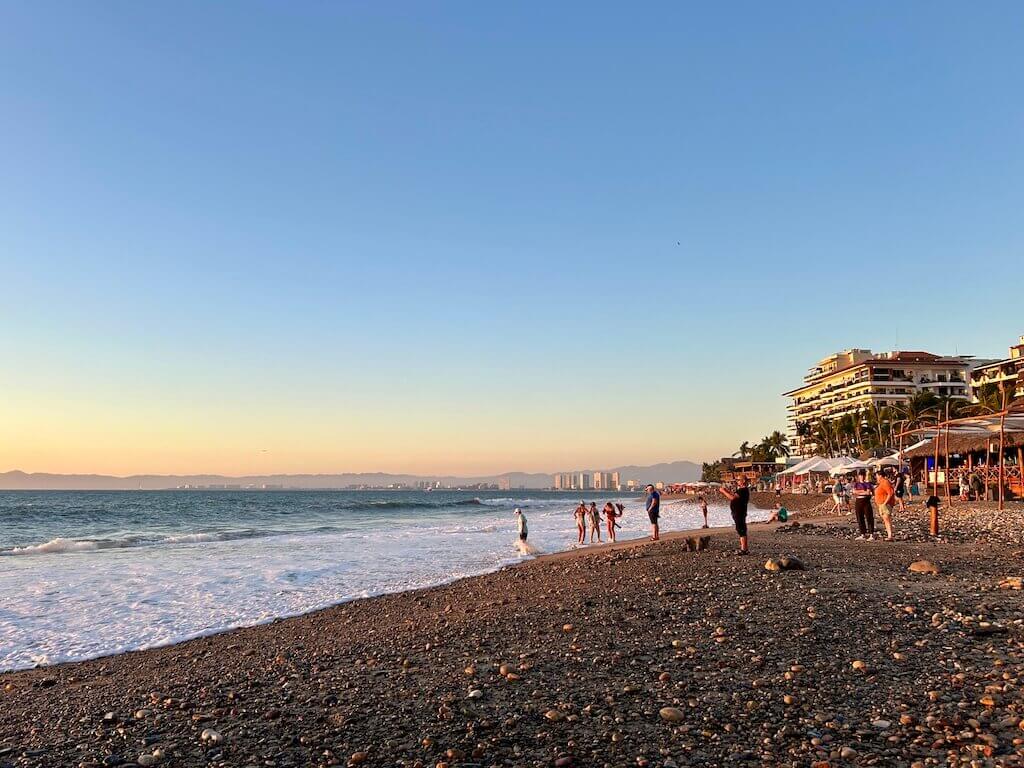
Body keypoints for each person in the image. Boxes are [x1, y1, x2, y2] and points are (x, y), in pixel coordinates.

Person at [718, 476, 750, 555]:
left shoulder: (743, 490)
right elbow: (734, 496)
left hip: (739, 512)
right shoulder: (741, 490)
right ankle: (744, 548)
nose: (737, 481)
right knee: (740, 529)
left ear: (743, 481)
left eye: (738, 480)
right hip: (738, 512)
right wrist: (726, 490)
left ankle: (744, 549)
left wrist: (723, 491)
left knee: (741, 529)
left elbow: (733, 498)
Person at [851, 470, 875, 539]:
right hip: (858, 501)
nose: (862, 477)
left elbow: (868, 492)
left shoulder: (868, 484)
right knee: (859, 517)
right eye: (860, 475)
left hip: (866, 501)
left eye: (863, 475)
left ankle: (871, 534)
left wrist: (859, 492)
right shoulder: (856, 484)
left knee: (869, 517)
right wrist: (863, 491)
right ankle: (863, 533)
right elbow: (854, 491)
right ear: (859, 476)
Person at [874, 469, 896, 541]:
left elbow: (890, 493)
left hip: (885, 504)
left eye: (877, 475)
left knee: (886, 518)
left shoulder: (885, 482)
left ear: (880, 476)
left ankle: (890, 535)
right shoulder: (881, 483)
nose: (876, 477)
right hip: (881, 503)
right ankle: (889, 534)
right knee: (885, 519)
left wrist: (885, 503)